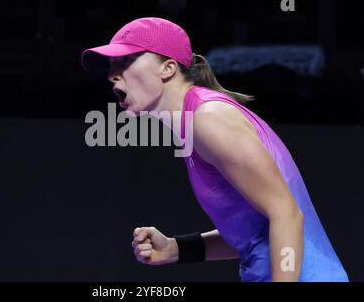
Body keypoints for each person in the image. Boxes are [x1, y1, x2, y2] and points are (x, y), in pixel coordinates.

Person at [81, 17, 349, 282]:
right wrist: (177, 248)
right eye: (111, 66)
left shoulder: (209, 118)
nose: (112, 75)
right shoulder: (196, 123)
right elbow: (255, 237)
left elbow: (287, 215)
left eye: (126, 61)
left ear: (168, 68)